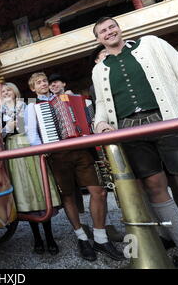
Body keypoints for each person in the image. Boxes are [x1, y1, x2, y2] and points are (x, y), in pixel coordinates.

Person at [92, 16, 178, 268]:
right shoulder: (99, 69)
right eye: (103, 31)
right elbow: (101, 104)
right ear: (99, 39)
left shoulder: (152, 44)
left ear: (119, 29)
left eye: (112, 27)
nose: (109, 32)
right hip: (130, 131)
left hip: (168, 119)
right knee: (155, 189)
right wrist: (99, 124)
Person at [25, 72, 124, 262]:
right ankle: (82, 238)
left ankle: (101, 238)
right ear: (32, 88)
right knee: (68, 195)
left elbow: (83, 118)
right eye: (38, 83)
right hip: (58, 155)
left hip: (81, 150)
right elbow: (32, 135)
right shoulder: (32, 107)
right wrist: (43, 151)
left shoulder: (68, 98)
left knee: (99, 191)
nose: (43, 84)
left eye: (45, 81)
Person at [49, 72, 124, 243]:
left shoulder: (82, 100)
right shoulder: (46, 104)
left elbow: (91, 120)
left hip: (85, 149)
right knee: (70, 193)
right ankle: (83, 230)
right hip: (61, 153)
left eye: (56, 82)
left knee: (99, 189)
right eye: (50, 84)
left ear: (64, 84)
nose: (53, 85)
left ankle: (105, 229)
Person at [1, 82, 62, 255]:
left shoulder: (27, 107)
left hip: (28, 146)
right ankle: (36, 238)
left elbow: (35, 129)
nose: (6, 92)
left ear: (15, 91)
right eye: (3, 91)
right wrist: (7, 128)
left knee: (39, 189)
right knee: (24, 192)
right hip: (12, 150)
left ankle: (49, 236)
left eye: (8, 90)